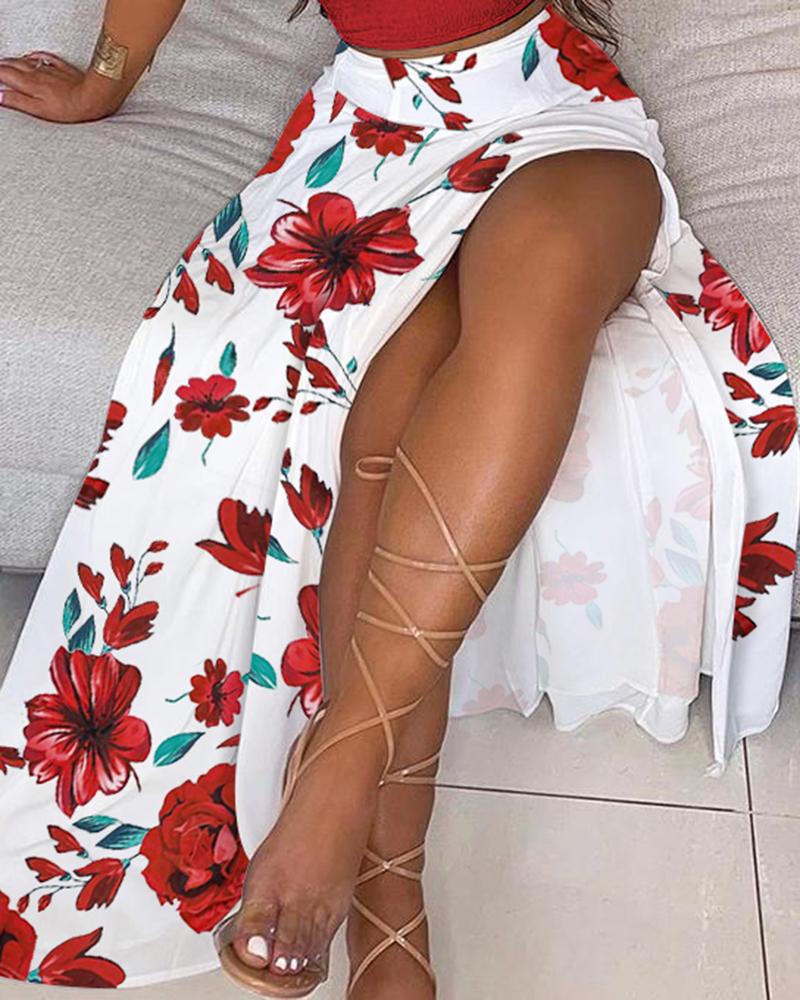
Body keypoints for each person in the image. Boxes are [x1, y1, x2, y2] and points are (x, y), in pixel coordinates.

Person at [0, 0, 797, 996]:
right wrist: (105, 78)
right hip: (380, 126)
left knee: (548, 265)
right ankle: (386, 883)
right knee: (389, 401)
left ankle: (337, 772)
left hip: (558, 111)